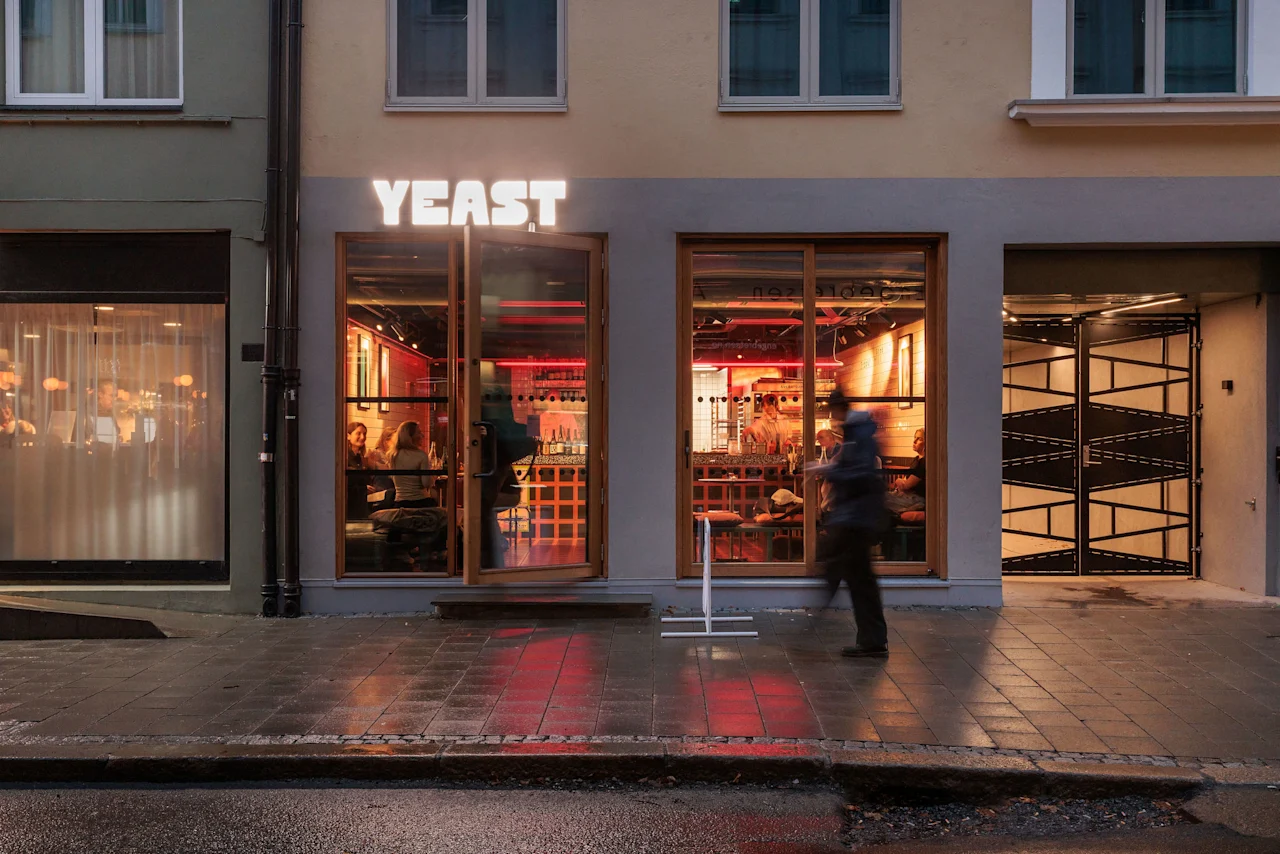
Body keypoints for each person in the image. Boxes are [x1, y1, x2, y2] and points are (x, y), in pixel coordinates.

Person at [815, 390, 889, 658]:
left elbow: (858, 474)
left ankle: (871, 639)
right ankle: (872, 639)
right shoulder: (859, 433)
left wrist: (827, 470)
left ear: (838, 409)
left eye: (831, 410)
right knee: (861, 579)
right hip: (858, 517)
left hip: (856, 518)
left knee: (859, 579)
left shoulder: (857, 436)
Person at [387, 420, 437, 509]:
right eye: (419, 433)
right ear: (410, 437)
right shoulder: (421, 456)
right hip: (420, 502)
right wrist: (433, 476)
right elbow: (426, 483)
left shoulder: (392, 455)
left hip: (400, 504)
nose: (422, 435)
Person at [886, 428, 926, 521]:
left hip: (916, 499)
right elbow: (905, 480)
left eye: (919, 439)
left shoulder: (925, 462)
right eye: (914, 438)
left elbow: (906, 485)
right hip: (906, 495)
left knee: (879, 499)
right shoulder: (916, 460)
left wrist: (898, 480)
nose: (914, 441)